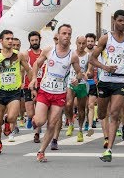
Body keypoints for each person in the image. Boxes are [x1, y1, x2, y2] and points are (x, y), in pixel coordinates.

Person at [30, 24, 84, 162]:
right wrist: (34, 78)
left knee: (52, 124)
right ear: (58, 36)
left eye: (69, 34)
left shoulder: (73, 56)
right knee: (40, 121)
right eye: (64, 33)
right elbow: (37, 63)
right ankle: (35, 119)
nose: (66, 36)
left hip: (59, 94)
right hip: (45, 91)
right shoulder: (49, 50)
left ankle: (41, 151)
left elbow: (79, 73)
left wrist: (77, 80)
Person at [89, 10, 124, 162]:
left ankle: (109, 149)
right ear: (114, 21)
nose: (123, 23)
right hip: (105, 80)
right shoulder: (105, 38)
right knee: (103, 114)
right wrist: (105, 68)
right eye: (120, 21)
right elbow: (92, 59)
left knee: (115, 113)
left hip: (120, 82)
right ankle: (101, 117)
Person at [0, 30, 34, 155]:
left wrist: (32, 82)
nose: (10, 41)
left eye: (12, 38)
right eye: (7, 39)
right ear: (1, 41)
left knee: (11, 117)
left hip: (14, 92)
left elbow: (28, 69)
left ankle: (7, 121)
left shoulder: (19, 55)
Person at [23, 31, 45, 143]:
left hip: (42, 85)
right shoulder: (26, 54)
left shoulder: (44, 53)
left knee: (38, 111)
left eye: (36, 40)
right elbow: (23, 69)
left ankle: (37, 133)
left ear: (39, 40)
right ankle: (32, 120)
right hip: (28, 85)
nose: (34, 42)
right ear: (29, 41)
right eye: (32, 40)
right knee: (31, 113)